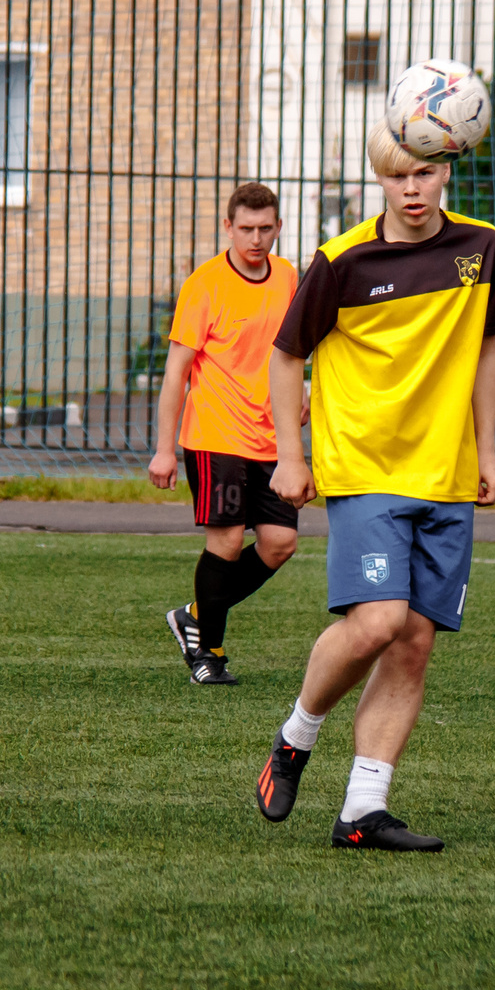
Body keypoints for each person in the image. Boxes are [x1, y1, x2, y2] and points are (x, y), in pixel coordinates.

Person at [253, 122, 495, 853]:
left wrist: (487, 449)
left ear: (447, 170)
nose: (412, 188)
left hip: (447, 474)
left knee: (415, 641)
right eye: (398, 177)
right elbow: (285, 358)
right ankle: (297, 735)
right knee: (377, 620)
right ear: (381, 181)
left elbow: (486, 347)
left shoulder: (481, 246)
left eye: (424, 173)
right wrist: (290, 456)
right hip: (363, 467)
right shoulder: (341, 260)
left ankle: (363, 809)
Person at [146, 182, 300, 685]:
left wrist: (304, 394)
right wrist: (164, 450)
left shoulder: (289, 279)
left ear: (278, 228)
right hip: (214, 434)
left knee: (279, 543)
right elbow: (176, 372)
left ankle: (194, 612)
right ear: (228, 227)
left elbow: (295, 353)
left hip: (271, 438)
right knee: (229, 540)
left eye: (265, 229)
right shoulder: (205, 283)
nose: (256, 239)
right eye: (246, 229)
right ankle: (207, 652)